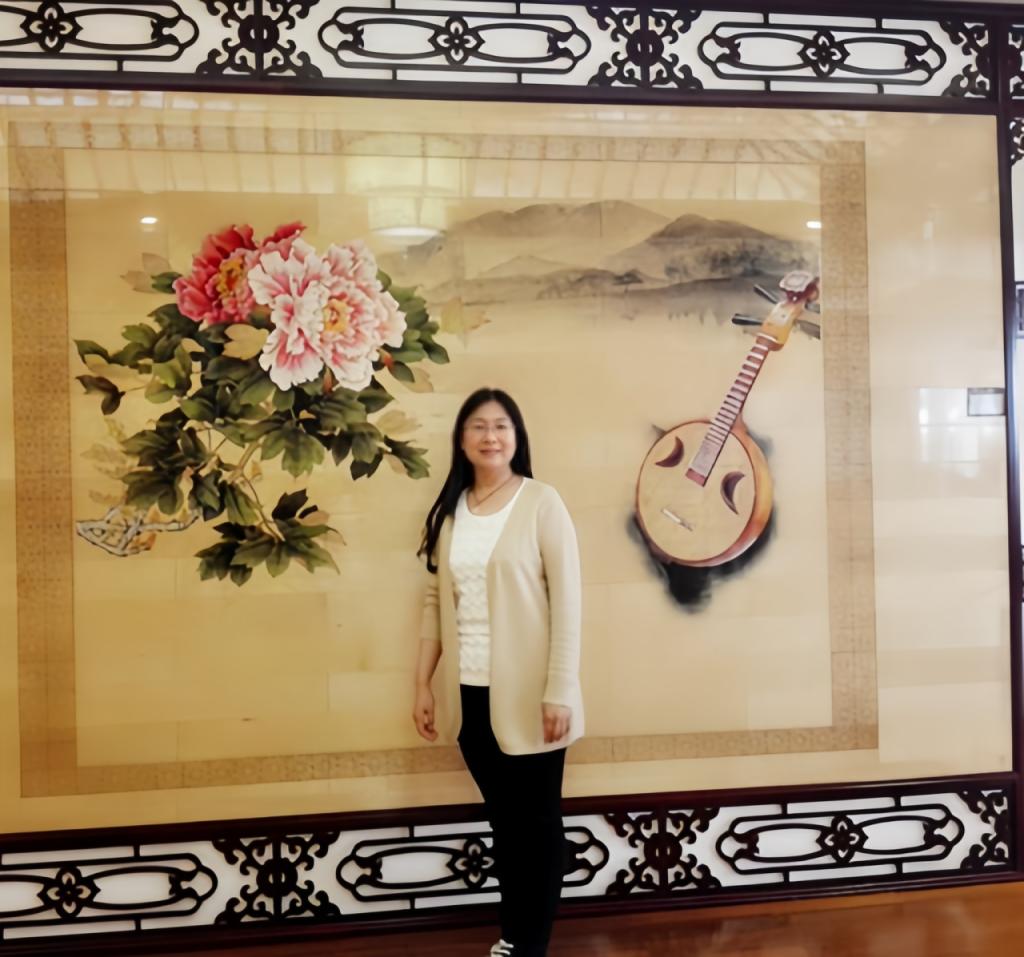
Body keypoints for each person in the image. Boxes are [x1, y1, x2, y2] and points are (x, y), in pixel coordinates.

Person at [413, 387, 584, 957]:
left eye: (502, 425)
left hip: (532, 696)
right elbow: (434, 603)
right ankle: (514, 936)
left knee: (538, 826)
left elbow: (569, 602)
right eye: (479, 426)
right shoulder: (451, 512)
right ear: (462, 440)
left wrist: (559, 689)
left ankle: (527, 945)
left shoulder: (541, 502)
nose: (491, 436)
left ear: (517, 437)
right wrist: (422, 684)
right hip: (470, 694)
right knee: (506, 826)